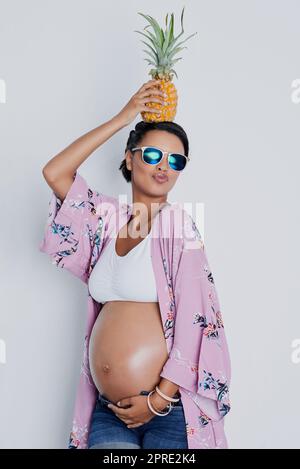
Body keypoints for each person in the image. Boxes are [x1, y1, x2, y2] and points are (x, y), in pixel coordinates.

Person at [39, 79, 231, 449]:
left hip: (169, 412)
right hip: (108, 410)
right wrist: (124, 116)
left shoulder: (179, 226)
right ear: (129, 158)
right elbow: (55, 173)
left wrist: (158, 400)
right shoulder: (106, 220)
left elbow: (196, 320)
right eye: (152, 155)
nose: (164, 167)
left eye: (175, 160)